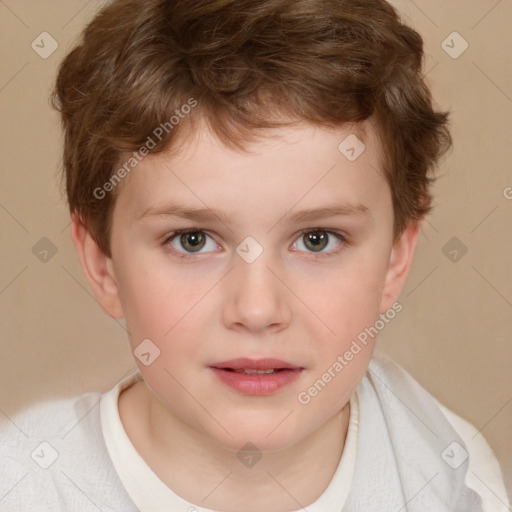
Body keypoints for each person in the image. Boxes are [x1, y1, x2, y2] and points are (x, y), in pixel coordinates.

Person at [1, 0, 509, 510]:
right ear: (102, 262)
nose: (258, 309)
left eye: (317, 239)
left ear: (396, 258)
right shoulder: (25, 486)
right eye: (193, 240)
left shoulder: (452, 476)